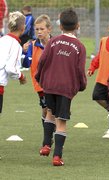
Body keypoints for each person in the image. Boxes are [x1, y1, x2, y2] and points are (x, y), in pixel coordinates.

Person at [35, 8, 87, 166]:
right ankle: (57, 156)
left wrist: (39, 78)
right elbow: (79, 70)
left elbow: (42, 61)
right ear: (77, 25)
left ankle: (45, 145)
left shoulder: (53, 41)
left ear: (60, 26)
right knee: (61, 121)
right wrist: (82, 85)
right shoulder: (80, 46)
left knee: (50, 112)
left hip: (49, 85)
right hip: (65, 88)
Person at [22, 15, 55, 156]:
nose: (39, 32)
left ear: (49, 29)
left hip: (55, 84)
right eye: (37, 29)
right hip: (40, 85)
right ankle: (49, 136)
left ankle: (47, 141)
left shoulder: (55, 44)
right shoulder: (33, 45)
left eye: (42, 29)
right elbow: (25, 64)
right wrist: (23, 52)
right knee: (46, 110)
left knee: (51, 110)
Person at [87, 18, 109, 139]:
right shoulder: (103, 40)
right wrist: (92, 67)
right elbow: (99, 56)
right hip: (102, 78)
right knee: (96, 96)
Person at [0, 11, 27, 114]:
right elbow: (10, 69)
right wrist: (21, 77)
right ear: (22, 28)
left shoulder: (2, 40)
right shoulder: (15, 45)